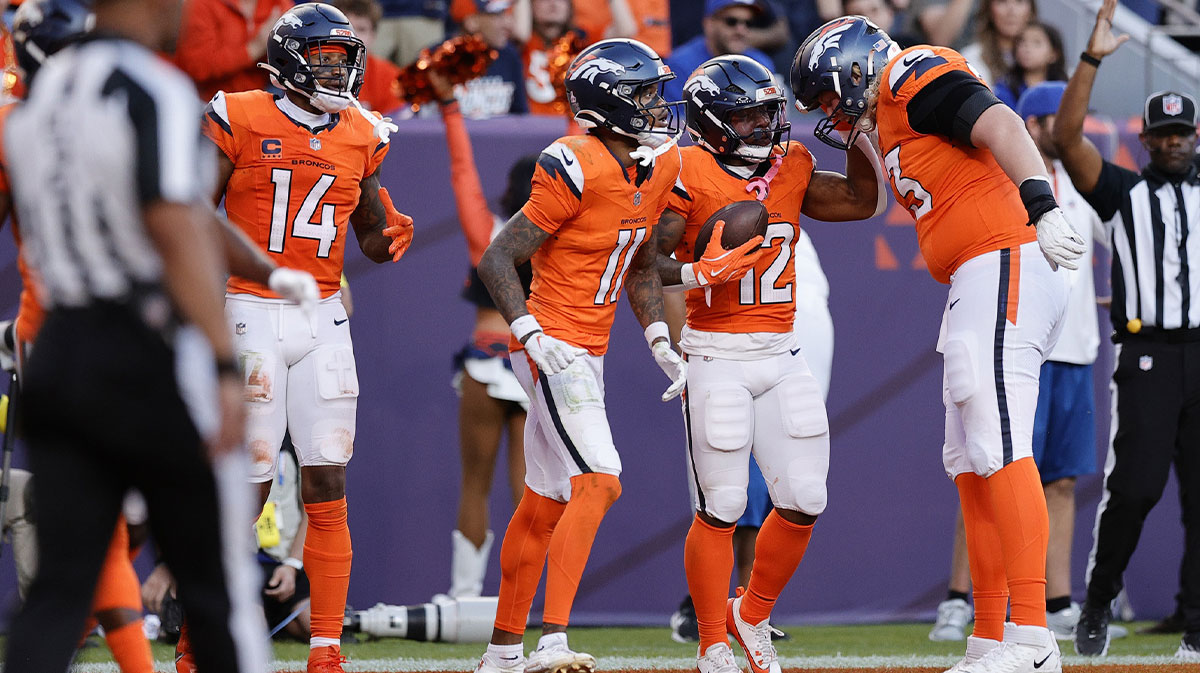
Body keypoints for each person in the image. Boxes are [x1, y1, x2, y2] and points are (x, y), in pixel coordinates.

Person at [794, 14, 1086, 673]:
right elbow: (862, 199)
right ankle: (990, 636)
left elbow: (1000, 122)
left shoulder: (908, 73)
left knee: (1000, 441)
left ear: (858, 68)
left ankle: (1034, 638)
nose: (832, 114)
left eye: (830, 97)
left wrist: (1040, 202)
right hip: (973, 276)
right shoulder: (888, 116)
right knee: (970, 457)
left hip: (1004, 255)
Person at [0, 0, 276, 667]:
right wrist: (220, 364)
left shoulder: (33, 103)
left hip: (58, 347)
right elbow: (176, 226)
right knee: (216, 586)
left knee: (59, 590)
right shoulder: (153, 85)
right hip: (138, 349)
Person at [198, 4, 415, 671]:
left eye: (343, 57)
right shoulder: (238, 114)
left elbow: (372, 236)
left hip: (322, 315)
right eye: (324, 57)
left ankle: (325, 652)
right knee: (249, 482)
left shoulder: (362, 132)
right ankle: (199, 646)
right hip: (249, 308)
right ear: (291, 57)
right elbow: (194, 216)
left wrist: (389, 234)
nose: (338, 69)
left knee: (327, 476)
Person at [656, 54, 884, 673]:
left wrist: (860, 130)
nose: (764, 124)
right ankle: (711, 643)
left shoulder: (792, 164)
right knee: (723, 505)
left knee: (806, 494)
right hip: (717, 352)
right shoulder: (685, 169)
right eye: (748, 114)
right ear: (713, 120)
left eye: (768, 110)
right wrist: (693, 284)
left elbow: (865, 201)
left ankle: (750, 615)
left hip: (782, 351)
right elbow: (642, 264)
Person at [471, 37, 686, 673]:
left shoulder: (657, 166)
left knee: (545, 499)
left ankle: (501, 651)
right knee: (599, 479)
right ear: (608, 102)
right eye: (643, 93)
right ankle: (554, 639)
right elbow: (497, 256)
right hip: (552, 343)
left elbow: (641, 264)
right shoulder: (575, 162)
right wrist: (532, 334)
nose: (656, 105)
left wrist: (657, 342)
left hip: (588, 347)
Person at [927, 80, 1104, 644]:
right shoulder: (1003, 171)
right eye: (1050, 117)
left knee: (1050, 477)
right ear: (1029, 123)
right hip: (1017, 328)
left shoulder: (1078, 185)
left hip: (1068, 345)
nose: (1062, 127)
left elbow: (1125, 238)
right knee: (988, 458)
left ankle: (1052, 605)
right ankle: (965, 601)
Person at [1050, 0, 1200, 660]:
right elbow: (1066, 137)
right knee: (1136, 488)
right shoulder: (1120, 193)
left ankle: (1196, 621)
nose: (1172, 143)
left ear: (1195, 135)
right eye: (1161, 135)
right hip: (1146, 354)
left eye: (1182, 133)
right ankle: (1102, 594)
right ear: (1145, 141)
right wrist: (1089, 60)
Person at [426, 68, 533, 600]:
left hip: (489, 359)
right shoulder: (563, 238)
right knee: (530, 492)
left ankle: (466, 596)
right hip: (536, 364)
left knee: (476, 483)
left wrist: (450, 110)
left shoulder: (488, 233)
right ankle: (525, 602)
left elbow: (462, 171)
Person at [173, 0, 292, 100]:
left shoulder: (279, 4)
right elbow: (199, 67)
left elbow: (292, 63)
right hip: (209, 103)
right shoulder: (202, 4)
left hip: (259, 103)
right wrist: (254, 49)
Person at [662, 0, 775, 104]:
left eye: (748, 23)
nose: (741, 30)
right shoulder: (679, 65)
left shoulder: (761, 65)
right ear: (709, 24)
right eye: (731, 22)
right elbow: (678, 122)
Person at [332, 0, 404, 115]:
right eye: (346, 28)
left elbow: (395, 125)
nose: (353, 36)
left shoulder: (389, 75)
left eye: (361, 29)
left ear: (373, 35)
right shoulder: (315, 69)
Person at [957, 0, 1035, 86]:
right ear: (989, 10)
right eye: (1002, 2)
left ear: (1031, 10)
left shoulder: (1046, 56)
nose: (1011, 11)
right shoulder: (972, 57)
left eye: (1019, 1)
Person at [992, 23, 1067, 110]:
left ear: (1054, 54)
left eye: (1036, 43)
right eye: (1022, 41)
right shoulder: (1004, 87)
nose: (1026, 47)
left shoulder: (1065, 90)